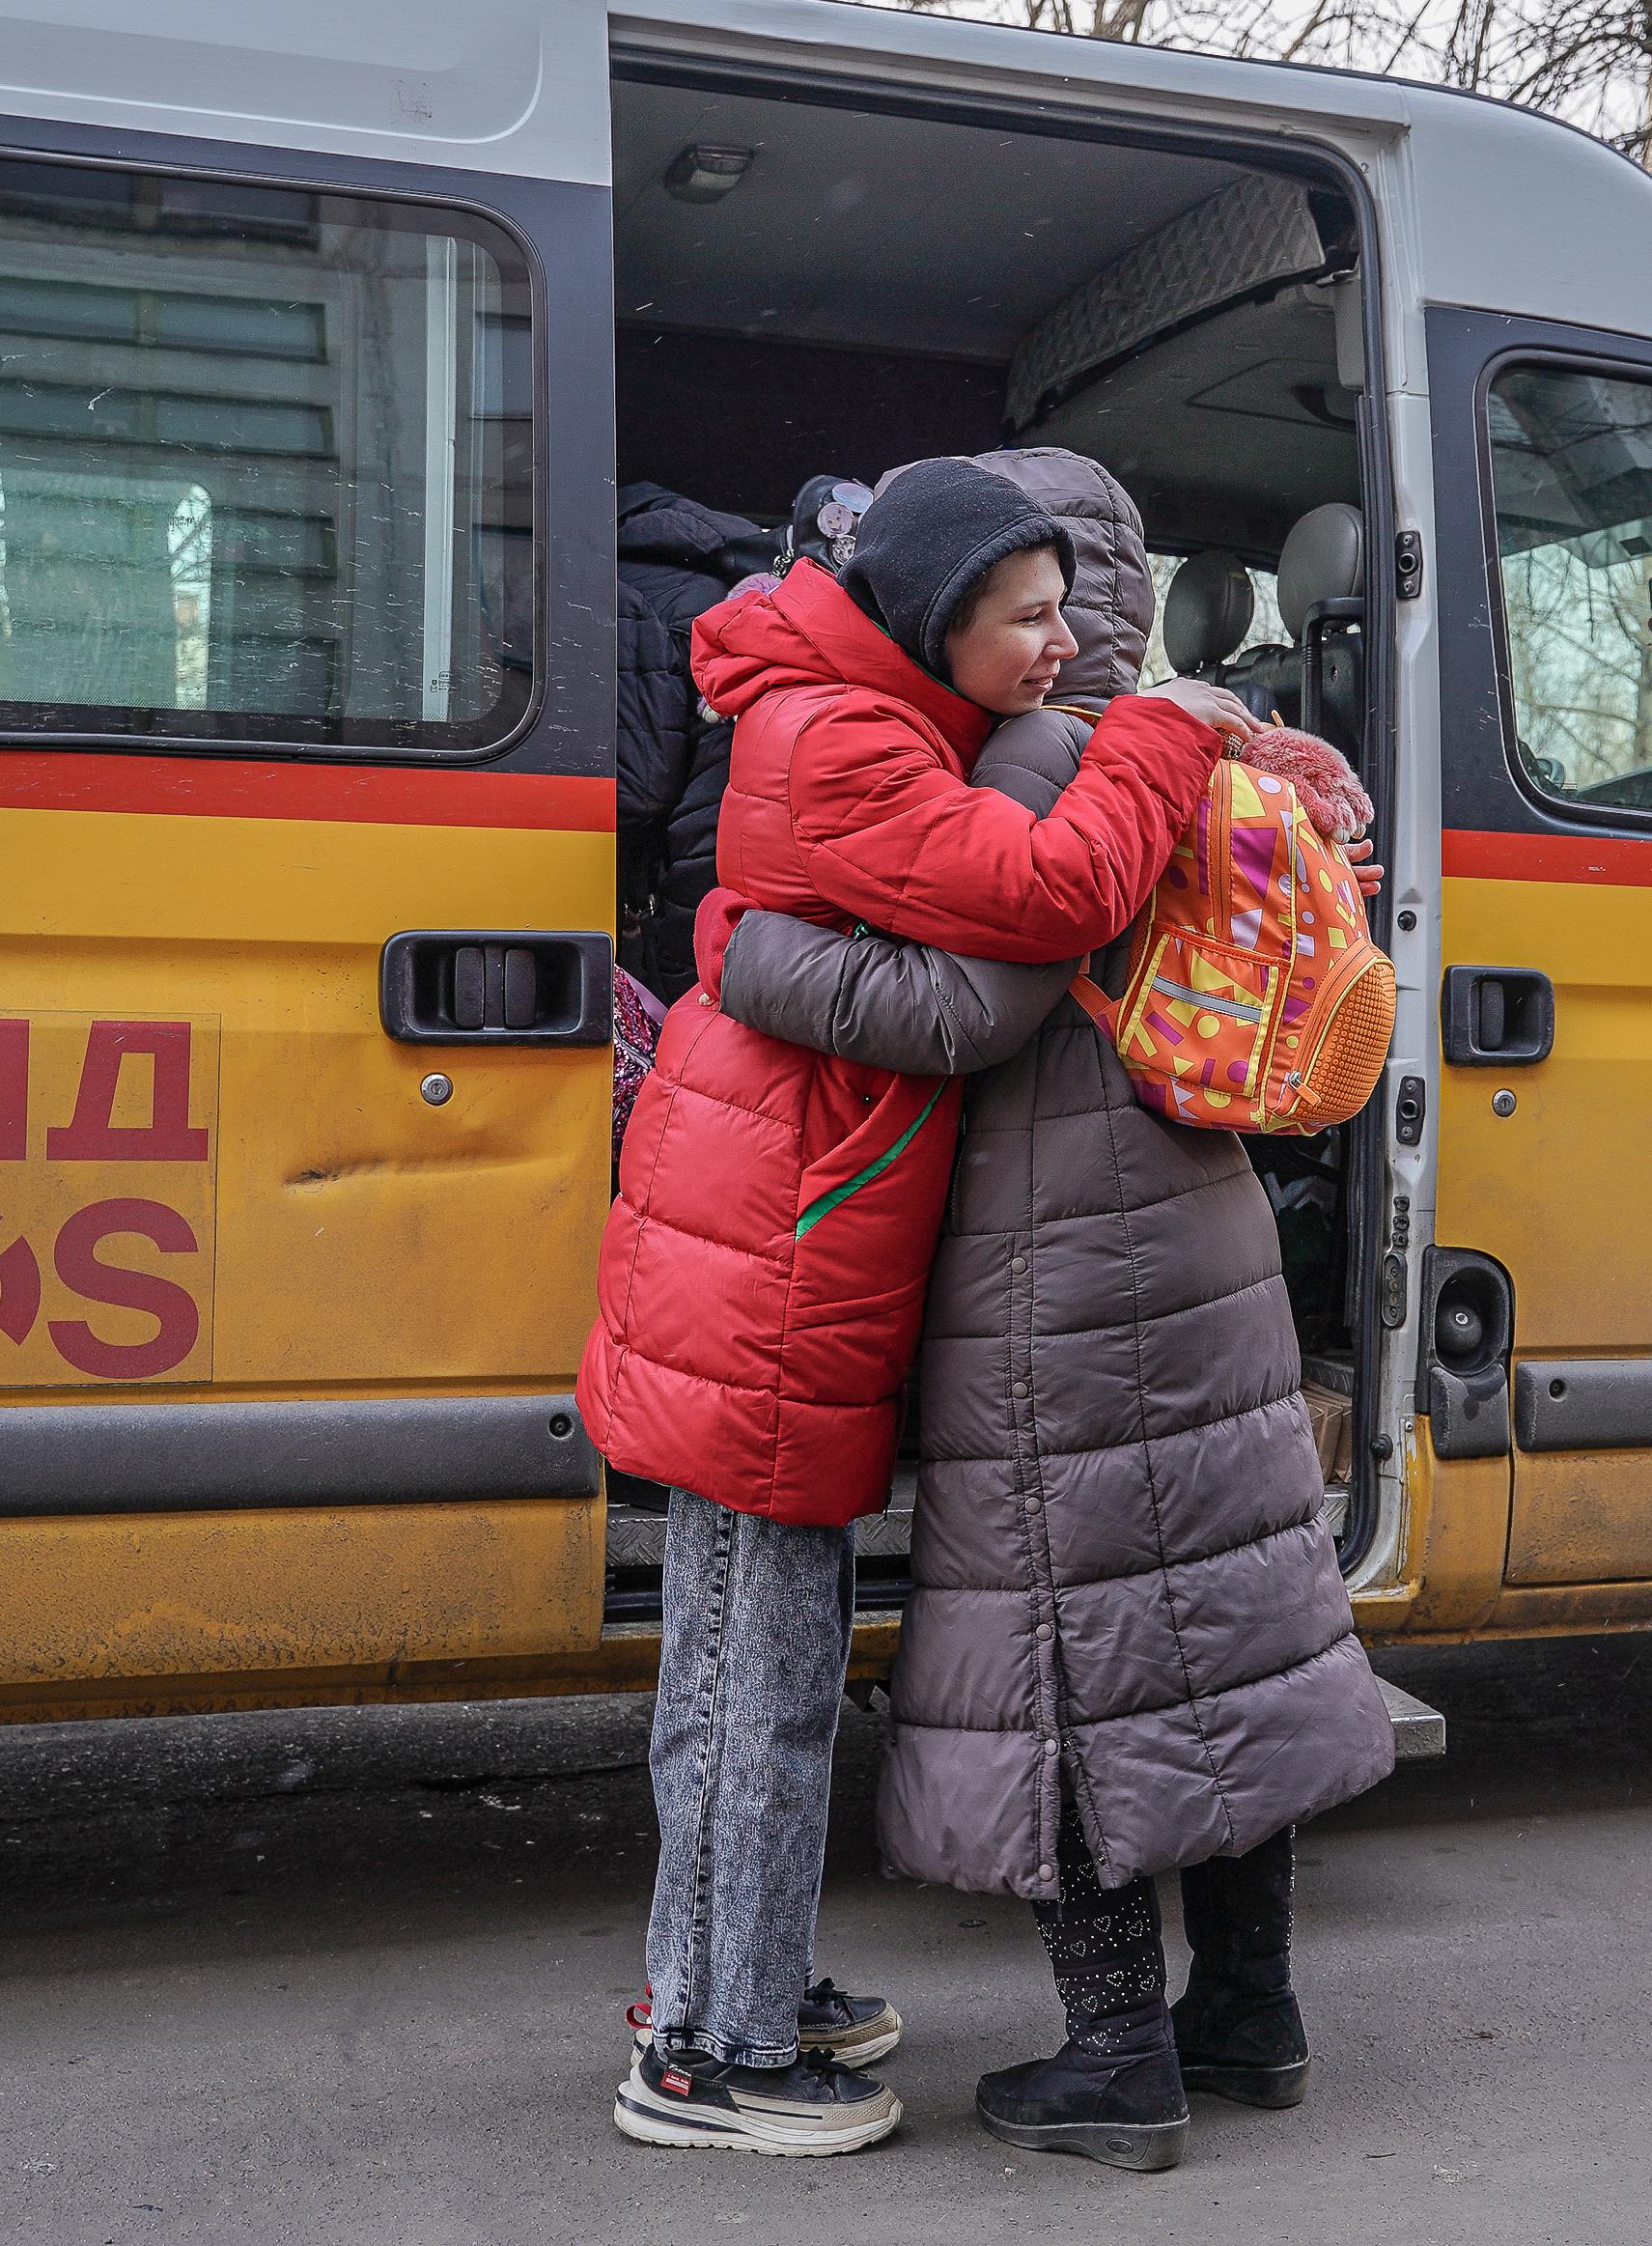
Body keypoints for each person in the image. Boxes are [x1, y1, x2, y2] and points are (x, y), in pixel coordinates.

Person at [714, 449, 1399, 2175]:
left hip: (1055, 1267)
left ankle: (1116, 2057)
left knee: (1069, 1668)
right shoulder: (1213, 742)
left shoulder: (1036, 757)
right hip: (1200, 1239)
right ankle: (1248, 2013)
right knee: (1218, 1636)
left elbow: (965, 1005)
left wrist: (750, 954)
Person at [581, 456, 1256, 2156]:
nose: (1061, 643)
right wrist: (1164, 733)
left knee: (752, 1657)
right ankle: (711, 2057)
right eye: (1028, 618)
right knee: (758, 1673)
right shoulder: (844, 741)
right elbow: (1044, 901)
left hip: (775, 1246)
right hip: (767, 1268)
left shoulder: (861, 716)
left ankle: (730, 1976)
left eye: (1069, 613)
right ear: (933, 617)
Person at [614, 483, 773, 1004]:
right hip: (698, 888)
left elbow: (644, 788)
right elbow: (712, 818)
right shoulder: (735, 591)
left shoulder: (584, 574)